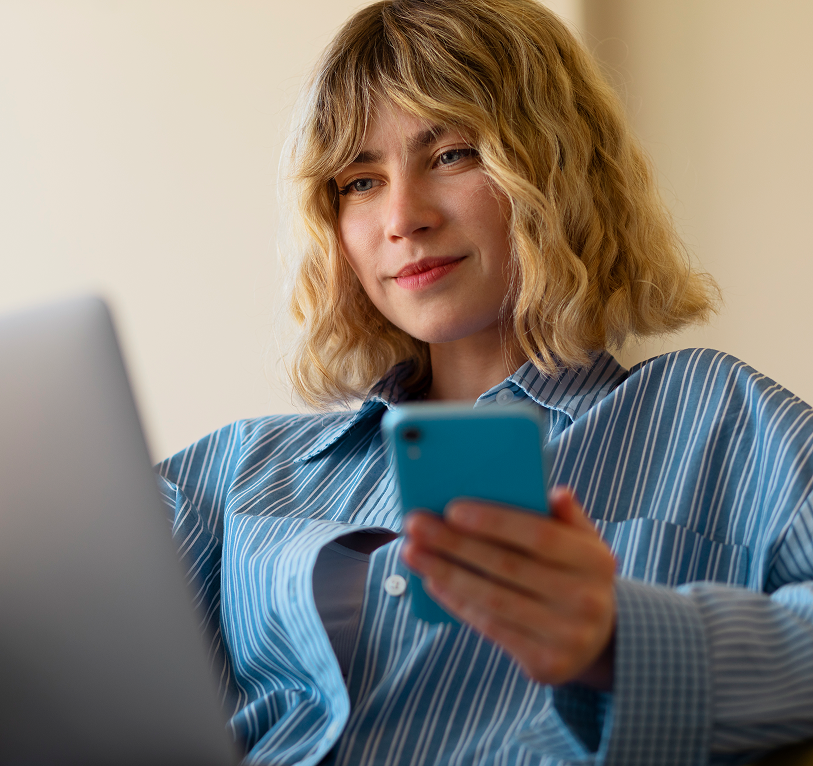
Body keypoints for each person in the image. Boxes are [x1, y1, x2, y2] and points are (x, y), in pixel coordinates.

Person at [156, 0, 813, 763]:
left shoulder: (717, 420)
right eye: (358, 182)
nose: (401, 217)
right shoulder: (231, 476)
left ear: (558, 166)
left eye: (450, 155)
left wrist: (620, 635)